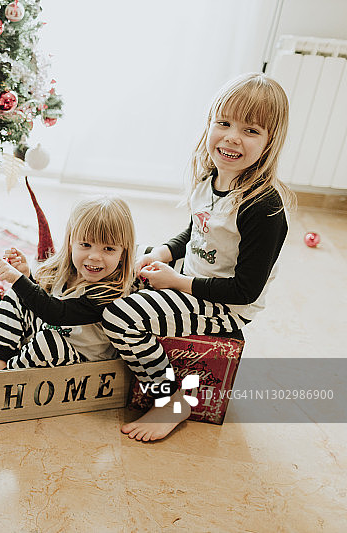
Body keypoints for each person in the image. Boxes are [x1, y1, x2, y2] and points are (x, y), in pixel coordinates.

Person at [101, 72, 296, 442]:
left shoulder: (263, 207)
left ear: (271, 141)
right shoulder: (213, 178)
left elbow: (245, 290)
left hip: (224, 307)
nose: (233, 137)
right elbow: (197, 230)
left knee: (120, 316)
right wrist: (164, 252)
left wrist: (176, 283)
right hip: (192, 279)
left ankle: (171, 400)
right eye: (223, 123)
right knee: (123, 261)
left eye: (251, 131)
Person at [0, 196, 136, 371]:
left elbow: (56, 313)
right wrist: (26, 276)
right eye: (86, 244)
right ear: (71, 242)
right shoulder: (64, 274)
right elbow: (40, 301)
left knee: (47, 343)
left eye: (108, 249)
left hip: (79, 360)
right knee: (16, 295)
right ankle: (1, 356)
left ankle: (6, 373)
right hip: (47, 334)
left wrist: (19, 280)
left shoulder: (110, 295)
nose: (95, 256)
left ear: (123, 253)